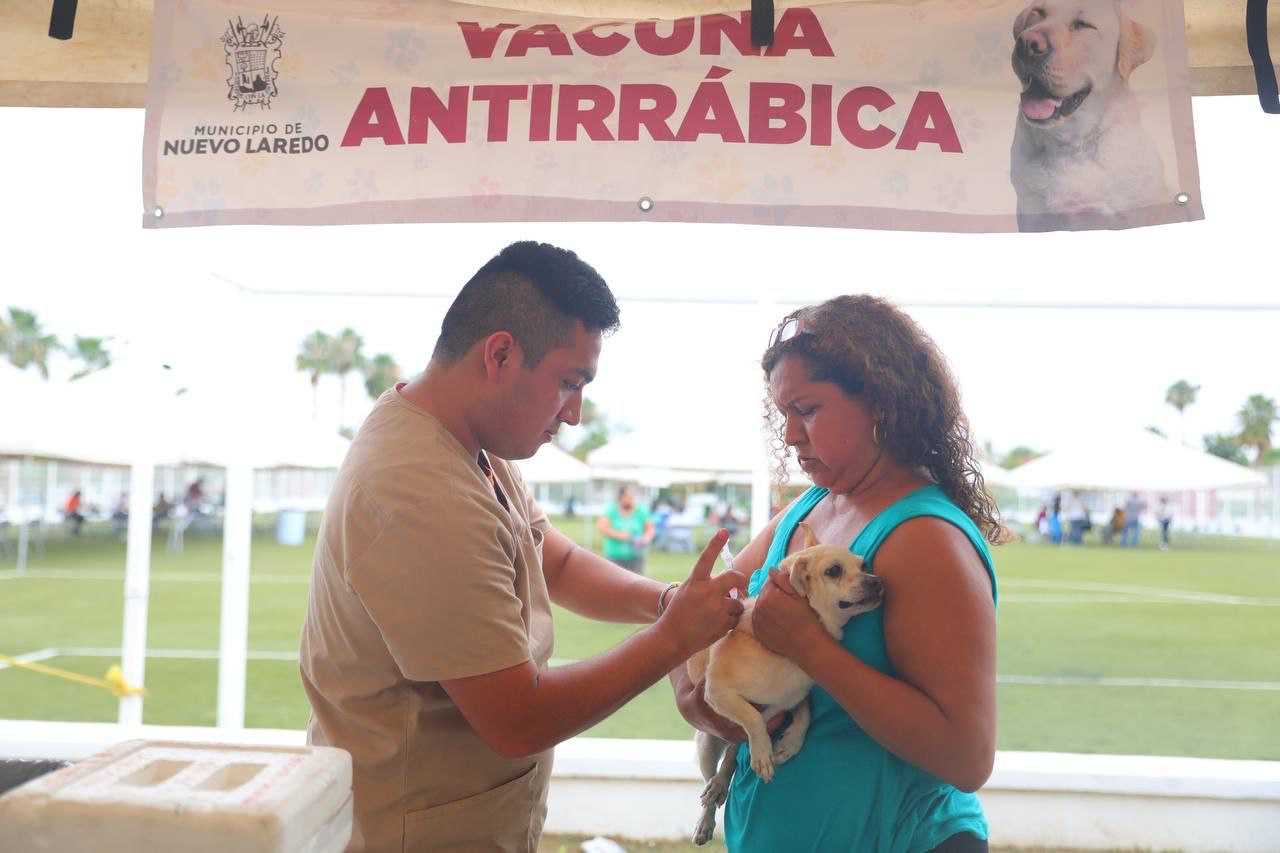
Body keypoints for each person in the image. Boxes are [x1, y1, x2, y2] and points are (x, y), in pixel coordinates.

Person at [298, 242, 745, 853]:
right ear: (501, 354)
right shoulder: (422, 492)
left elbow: (551, 558)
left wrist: (669, 602)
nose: (576, 414)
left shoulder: (464, 443)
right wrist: (672, 640)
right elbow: (518, 719)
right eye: (569, 382)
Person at [671, 295, 1005, 853]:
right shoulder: (809, 511)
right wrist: (695, 695)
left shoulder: (927, 539)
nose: (791, 436)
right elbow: (703, 610)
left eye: (807, 409)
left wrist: (810, 647)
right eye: (783, 416)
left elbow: (966, 758)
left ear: (877, 401)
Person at [596, 484, 655, 573]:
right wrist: (621, 536)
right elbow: (602, 528)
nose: (631, 500)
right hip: (614, 557)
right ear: (620, 497)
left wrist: (646, 538)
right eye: (628, 497)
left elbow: (650, 528)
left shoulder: (641, 511)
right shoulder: (611, 510)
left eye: (632, 497)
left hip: (635, 557)